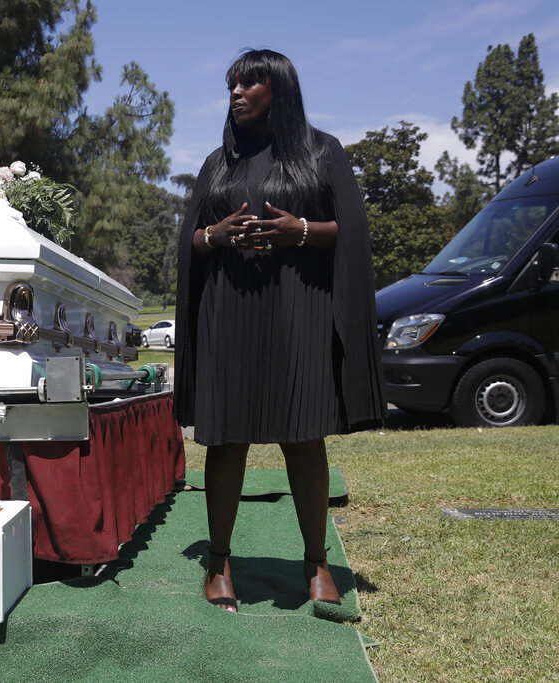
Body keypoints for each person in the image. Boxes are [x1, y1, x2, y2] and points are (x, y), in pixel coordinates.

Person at [173, 49, 385, 612]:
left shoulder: (323, 152)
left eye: (249, 83)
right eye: (231, 85)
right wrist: (214, 235)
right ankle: (218, 562)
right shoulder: (217, 164)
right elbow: (190, 243)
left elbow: (353, 233)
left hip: (300, 310)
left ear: (280, 89)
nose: (236, 93)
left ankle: (317, 565)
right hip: (230, 312)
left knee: (303, 434)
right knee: (224, 437)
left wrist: (302, 230)